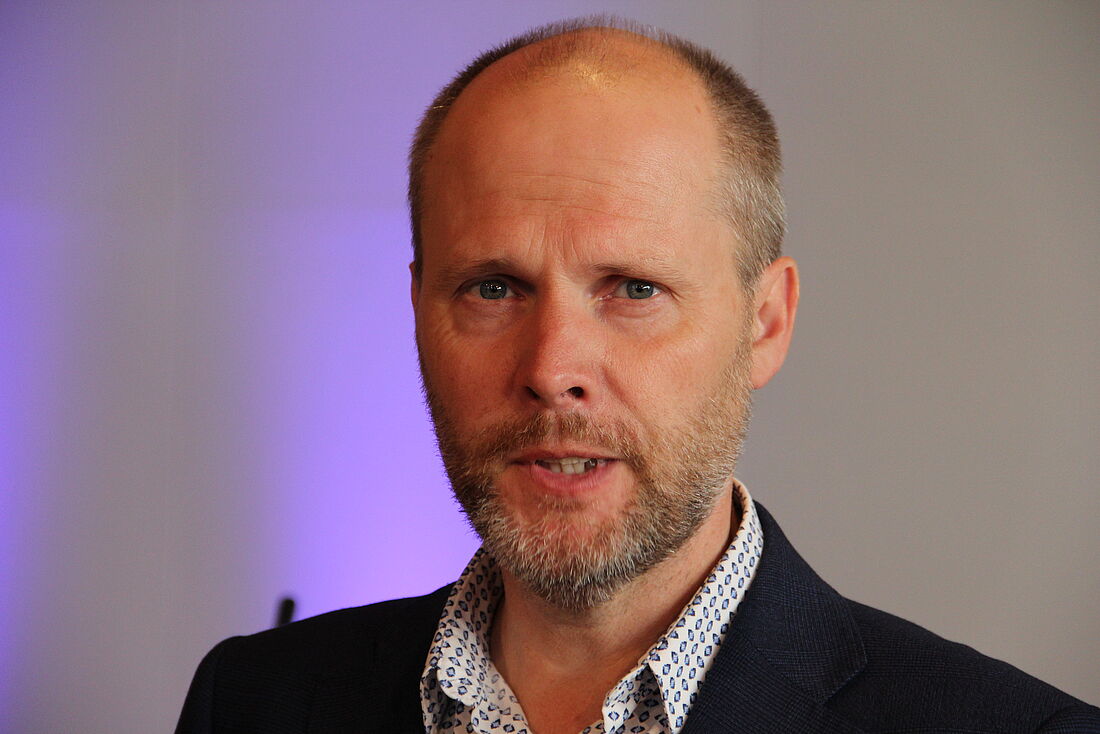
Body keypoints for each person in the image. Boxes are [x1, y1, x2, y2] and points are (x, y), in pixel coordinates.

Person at [176, 18, 1100, 734]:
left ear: (766, 323)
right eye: (493, 288)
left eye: (633, 289)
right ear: (419, 310)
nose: (552, 370)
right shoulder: (253, 703)